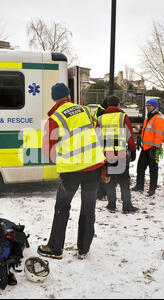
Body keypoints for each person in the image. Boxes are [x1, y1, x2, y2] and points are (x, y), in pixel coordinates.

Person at [38, 83, 106, 260]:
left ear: (54, 98)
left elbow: (48, 150)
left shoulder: (55, 117)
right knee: (88, 207)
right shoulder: (84, 110)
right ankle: (83, 249)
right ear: (68, 95)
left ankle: (55, 248)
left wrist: (61, 158)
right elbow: (96, 129)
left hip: (72, 170)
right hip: (93, 166)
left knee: (62, 207)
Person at [98, 95, 138, 213]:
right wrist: (133, 149)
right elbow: (129, 136)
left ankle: (111, 204)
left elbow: (97, 138)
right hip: (120, 153)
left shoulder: (101, 119)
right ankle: (126, 205)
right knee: (124, 181)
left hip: (107, 154)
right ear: (118, 105)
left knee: (110, 181)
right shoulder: (122, 117)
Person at [132, 99, 164, 196]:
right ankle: (139, 186)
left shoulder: (158, 119)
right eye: (147, 105)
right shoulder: (148, 118)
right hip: (145, 148)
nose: (148, 107)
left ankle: (152, 188)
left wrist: (155, 147)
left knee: (153, 170)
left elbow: (159, 135)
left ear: (155, 107)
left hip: (153, 149)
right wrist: (140, 138)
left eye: (150, 106)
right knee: (140, 168)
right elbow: (146, 131)